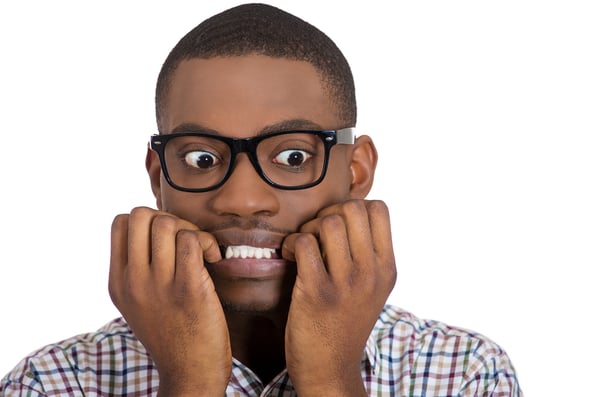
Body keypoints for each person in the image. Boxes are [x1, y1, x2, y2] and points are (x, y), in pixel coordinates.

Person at [0, 3, 522, 396]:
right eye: (202, 159)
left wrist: (332, 375)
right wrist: (189, 380)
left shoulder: (464, 371)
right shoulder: (52, 381)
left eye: (293, 157)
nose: (243, 199)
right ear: (158, 178)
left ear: (357, 172)